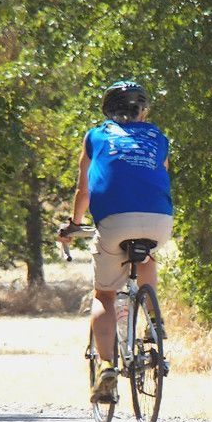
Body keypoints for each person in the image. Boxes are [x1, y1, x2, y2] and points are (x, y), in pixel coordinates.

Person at [58, 80, 173, 403]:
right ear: (143, 111)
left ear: (107, 111)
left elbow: (85, 190)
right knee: (146, 255)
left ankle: (107, 365)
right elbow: (158, 177)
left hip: (114, 220)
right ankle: (152, 319)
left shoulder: (95, 136)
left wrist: (74, 224)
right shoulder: (157, 137)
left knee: (105, 294)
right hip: (159, 219)